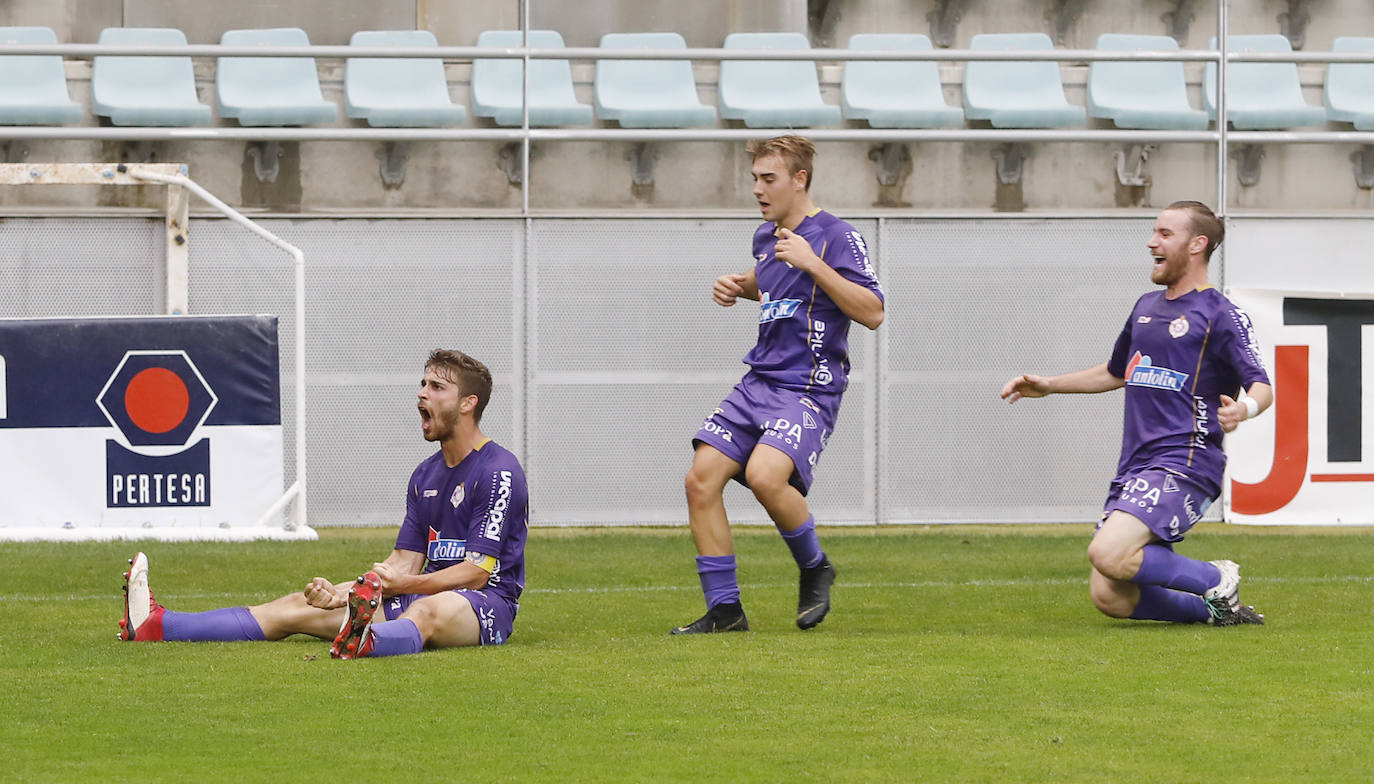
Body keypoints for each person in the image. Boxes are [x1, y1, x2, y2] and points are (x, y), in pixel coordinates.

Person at [119, 349, 528, 658]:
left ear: (468, 403)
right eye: (422, 384)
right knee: (293, 607)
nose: (422, 393)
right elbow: (403, 562)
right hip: (422, 592)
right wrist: (347, 594)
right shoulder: (426, 475)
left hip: (485, 604)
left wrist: (404, 586)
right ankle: (157, 624)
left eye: (436, 387)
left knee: (425, 614)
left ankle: (364, 643)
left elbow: (476, 573)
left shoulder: (498, 471)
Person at [1000, 200, 1271, 626]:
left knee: (1107, 553)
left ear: (1197, 244)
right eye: (1154, 232)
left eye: (1165, 234)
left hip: (1186, 459)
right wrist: (1051, 385)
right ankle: (1216, 612)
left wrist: (1244, 408)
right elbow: (1115, 372)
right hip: (1137, 464)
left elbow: (1262, 384)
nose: (1152, 243)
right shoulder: (1146, 306)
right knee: (1109, 594)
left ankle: (1216, 576)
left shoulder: (1221, 314)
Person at [674, 135, 885, 634]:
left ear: (800, 179)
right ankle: (725, 611)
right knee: (700, 479)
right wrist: (740, 285)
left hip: (809, 388)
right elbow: (775, 283)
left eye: (768, 179)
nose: (757, 190)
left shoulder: (838, 236)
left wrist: (815, 262)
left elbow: (873, 312)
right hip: (758, 383)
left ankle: (815, 568)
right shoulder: (766, 239)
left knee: (768, 476)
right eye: (754, 179)